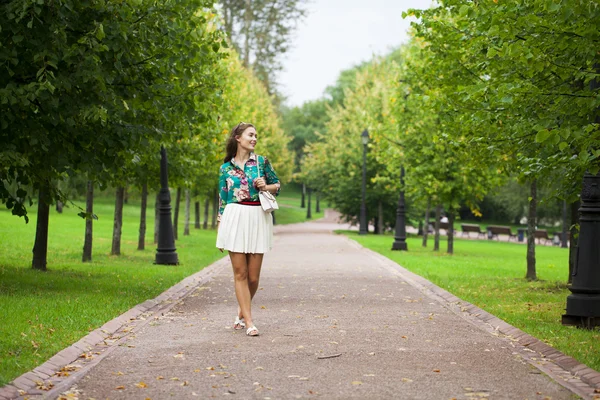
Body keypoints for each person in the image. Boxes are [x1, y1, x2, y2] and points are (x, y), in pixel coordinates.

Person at [216, 122, 281, 337]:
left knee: (253, 277)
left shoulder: (262, 163)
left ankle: (240, 313)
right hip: (234, 218)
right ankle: (250, 322)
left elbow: (277, 186)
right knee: (240, 273)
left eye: (256, 136)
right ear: (238, 137)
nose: (254, 139)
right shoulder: (225, 168)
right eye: (250, 135)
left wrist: (266, 185)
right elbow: (223, 200)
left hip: (257, 217)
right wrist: (221, 228)